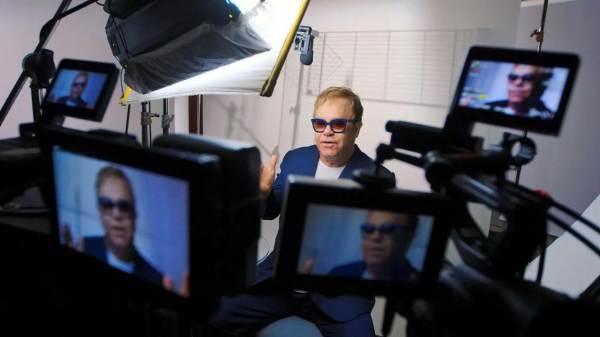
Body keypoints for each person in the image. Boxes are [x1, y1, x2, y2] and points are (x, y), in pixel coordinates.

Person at [209, 87, 395, 337]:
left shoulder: (379, 178)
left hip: (338, 296)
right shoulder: (296, 159)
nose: (327, 131)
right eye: (320, 123)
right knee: (213, 314)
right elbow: (270, 210)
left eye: (338, 124)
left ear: (357, 127)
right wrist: (262, 193)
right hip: (280, 284)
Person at [328, 210, 418, 282]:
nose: (375, 237)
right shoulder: (338, 273)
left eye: (388, 229)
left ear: (409, 237)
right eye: (368, 229)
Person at [486, 64, 554, 119]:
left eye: (528, 78)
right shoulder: (487, 108)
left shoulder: (548, 118)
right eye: (513, 77)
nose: (518, 83)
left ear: (540, 86)